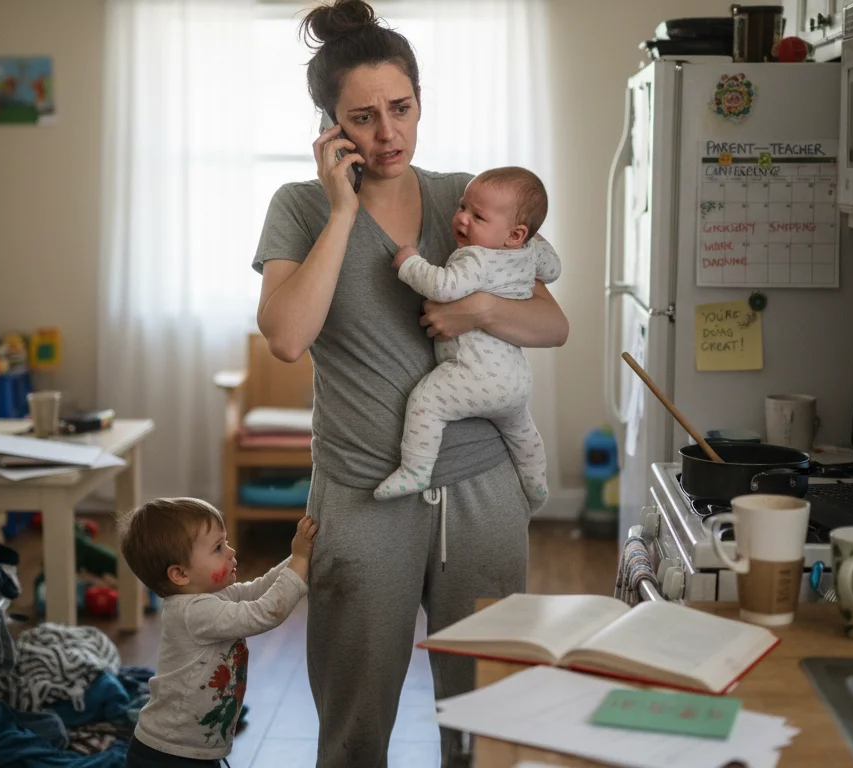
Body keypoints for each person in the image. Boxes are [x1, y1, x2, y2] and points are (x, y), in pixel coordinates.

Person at [252, 1, 569, 764]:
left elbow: (551, 323)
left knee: (489, 723)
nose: (387, 134)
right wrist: (341, 213)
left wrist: (478, 309)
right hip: (363, 494)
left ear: (421, 101)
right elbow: (288, 337)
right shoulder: (299, 208)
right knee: (354, 728)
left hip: (483, 492)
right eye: (362, 118)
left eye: (400, 108)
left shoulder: (467, 201)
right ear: (330, 128)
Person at [376, 166, 561, 512]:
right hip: (515, 381)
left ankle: (416, 470)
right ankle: (536, 486)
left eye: (478, 216)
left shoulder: (475, 257)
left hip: (474, 376)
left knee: (426, 403)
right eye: (463, 207)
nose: (462, 219)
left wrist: (409, 263)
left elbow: (443, 287)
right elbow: (554, 269)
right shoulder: (529, 252)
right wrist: (530, 238)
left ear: (514, 234)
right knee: (523, 434)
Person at [119, 498, 317, 768]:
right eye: (218, 548)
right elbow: (265, 612)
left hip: (193, 750)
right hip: (168, 756)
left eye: (225, 542)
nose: (230, 551)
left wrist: (299, 558)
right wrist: (300, 560)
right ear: (180, 574)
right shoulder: (193, 612)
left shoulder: (212, 596)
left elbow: (258, 589)